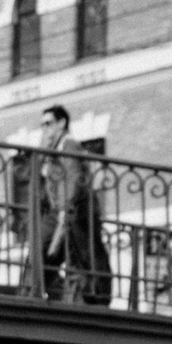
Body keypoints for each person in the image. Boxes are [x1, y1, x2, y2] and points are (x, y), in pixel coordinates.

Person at [41, 106, 111, 307]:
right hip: (67, 212)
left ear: (62, 123)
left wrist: (65, 208)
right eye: (43, 125)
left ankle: (98, 298)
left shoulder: (69, 145)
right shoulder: (55, 150)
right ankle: (39, 291)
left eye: (49, 123)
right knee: (70, 254)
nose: (45, 129)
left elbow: (74, 177)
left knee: (88, 256)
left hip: (77, 211)